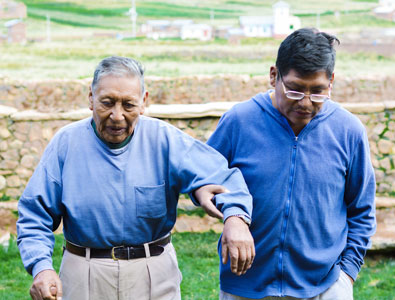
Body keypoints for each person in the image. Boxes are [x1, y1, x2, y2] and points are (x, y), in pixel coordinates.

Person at [17, 56, 255, 300]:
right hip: (83, 273)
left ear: (144, 102)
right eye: (107, 103)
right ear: (91, 98)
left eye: (128, 105)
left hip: (154, 273)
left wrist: (235, 218)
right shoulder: (65, 144)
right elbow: (34, 214)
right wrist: (41, 268)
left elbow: (222, 176)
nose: (117, 115)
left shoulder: (165, 140)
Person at [207, 28, 376, 299]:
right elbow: (203, 179)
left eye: (318, 92)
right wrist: (233, 217)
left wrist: (346, 275)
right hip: (245, 285)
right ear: (274, 76)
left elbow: (362, 210)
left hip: (326, 286)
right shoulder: (238, 121)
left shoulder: (349, 130)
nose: (306, 103)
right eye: (295, 90)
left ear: (331, 82)